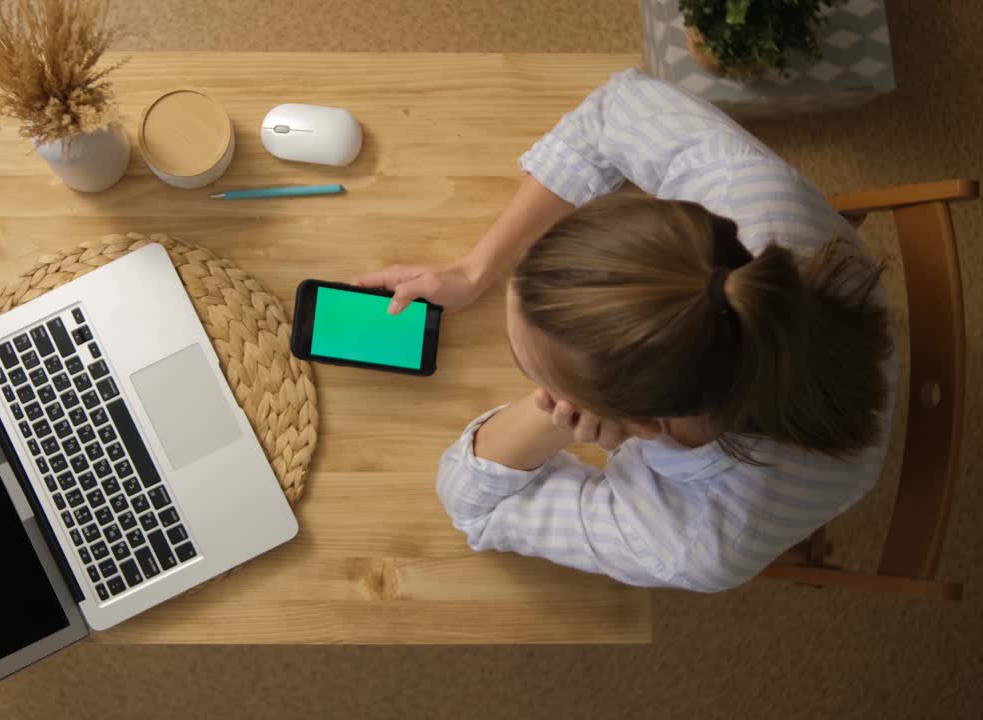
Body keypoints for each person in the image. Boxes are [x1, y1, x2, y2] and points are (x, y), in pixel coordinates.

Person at [354, 69, 896, 592]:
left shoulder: (692, 540)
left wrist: (554, 418)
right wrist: (476, 269)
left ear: (629, 419)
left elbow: (471, 503)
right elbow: (615, 107)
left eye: (532, 374)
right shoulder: (750, 195)